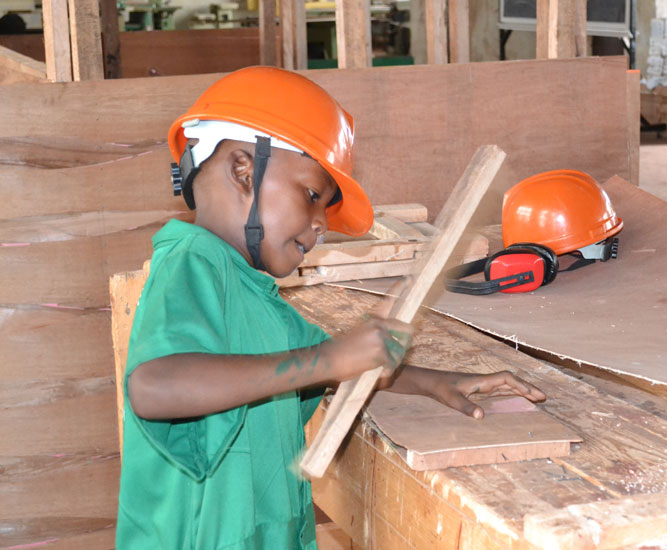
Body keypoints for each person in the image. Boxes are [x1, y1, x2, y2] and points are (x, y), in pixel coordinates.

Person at [115, 66, 547, 550]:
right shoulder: (192, 263)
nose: (322, 223)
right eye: (313, 195)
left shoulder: (256, 297)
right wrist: (331, 359)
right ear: (243, 170)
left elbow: (329, 363)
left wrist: (434, 382)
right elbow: (155, 386)